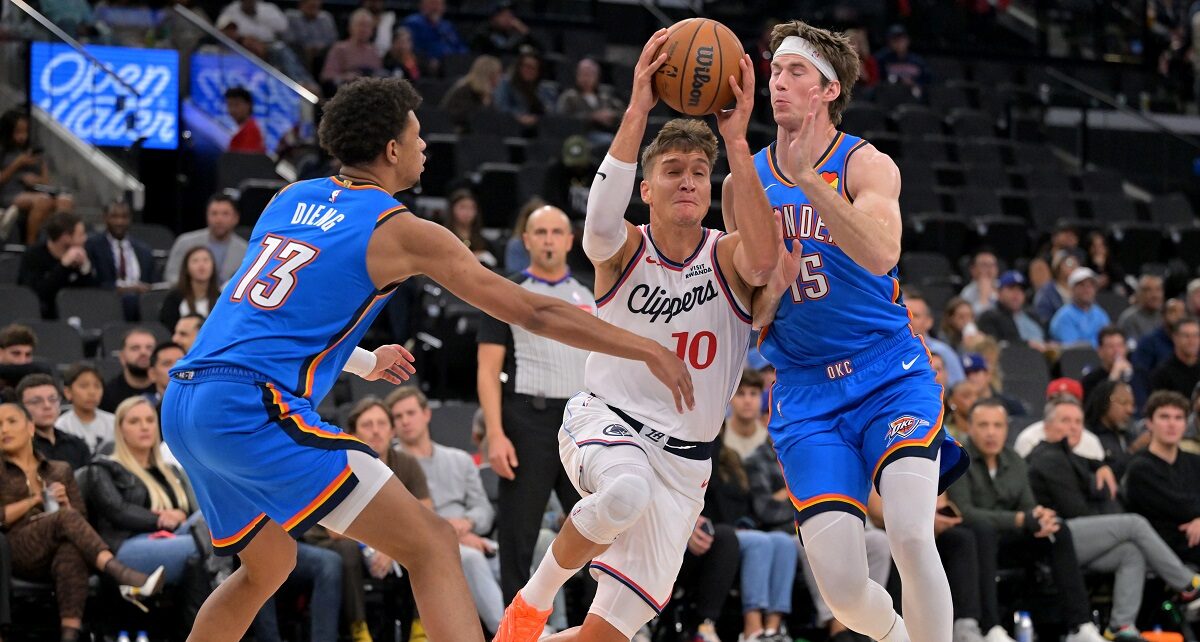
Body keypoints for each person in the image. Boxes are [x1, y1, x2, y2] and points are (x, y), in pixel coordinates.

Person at [160, 76, 692, 642]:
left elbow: (267, 316)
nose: (424, 147)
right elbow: (530, 311)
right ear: (392, 150)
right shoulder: (402, 230)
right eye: (416, 136)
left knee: (266, 566)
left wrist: (363, 363)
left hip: (188, 398)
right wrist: (644, 346)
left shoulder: (290, 197)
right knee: (434, 544)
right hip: (249, 408)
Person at [495, 30, 774, 642]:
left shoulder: (727, 257)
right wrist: (638, 110)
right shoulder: (622, 249)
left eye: (700, 173)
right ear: (644, 190)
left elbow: (764, 261)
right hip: (608, 421)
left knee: (608, 636)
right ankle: (531, 603)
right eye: (672, 171)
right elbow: (595, 225)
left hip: (687, 467)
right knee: (624, 491)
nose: (688, 181)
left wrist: (735, 139)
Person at [745, 20, 969, 642]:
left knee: (908, 533)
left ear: (828, 89)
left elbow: (879, 251)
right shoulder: (751, 176)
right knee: (843, 592)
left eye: (795, 73)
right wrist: (770, 288)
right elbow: (752, 312)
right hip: (805, 391)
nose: (779, 83)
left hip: (887, 372)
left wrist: (810, 182)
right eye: (776, 71)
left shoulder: (866, 163)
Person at [477, 205, 592, 605]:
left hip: (584, 423)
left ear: (569, 240)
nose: (547, 240)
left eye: (555, 232)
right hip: (528, 420)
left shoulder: (590, 293)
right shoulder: (506, 292)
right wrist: (495, 434)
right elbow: (488, 370)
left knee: (599, 532)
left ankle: (602, 629)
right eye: (539, 232)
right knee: (518, 535)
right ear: (525, 240)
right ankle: (516, 631)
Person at [1026, 396, 1200, 640]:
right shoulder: (1048, 457)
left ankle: (1121, 626)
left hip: (1077, 539)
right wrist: (1107, 514)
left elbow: (1103, 463)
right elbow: (1076, 510)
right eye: (1065, 421)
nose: (1073, 427)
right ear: (1047, 426)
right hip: (1055, 538)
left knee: (1130, 551)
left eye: (1078, 421)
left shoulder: (1068, 455)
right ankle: (1189, 585)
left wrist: (1102, 466)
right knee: (1133, 524)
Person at [0, 402, 164, 640]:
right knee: (65, 521)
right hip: (14, 549)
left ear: (30, 428)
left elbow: (80, 519)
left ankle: (70, 635)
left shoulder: (59, 469)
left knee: (71, 551)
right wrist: (35, 500)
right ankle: (123, 575)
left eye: (11, 422)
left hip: (54, 548)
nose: (4, 429)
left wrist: (64, 503)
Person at [947, 399, 1107, 642]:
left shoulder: (1015, 461)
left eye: (997, 425)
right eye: (983, 425)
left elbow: (1028, 507)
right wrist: (1021, 519)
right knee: (983, 529)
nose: (991, 432)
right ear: (969, 428)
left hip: (1010, 543)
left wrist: (1039, 517)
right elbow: (965, 512)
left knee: (1058, 530)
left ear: (1006, 429)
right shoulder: (958, 458)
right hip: (975, 544)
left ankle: (1080, 626)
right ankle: (991, 627)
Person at [311, 396, 432, 642]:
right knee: (347, 549)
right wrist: (389, 543)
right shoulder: (339, 463)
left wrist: (389, 548)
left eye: (382, 423)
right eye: (367, 425)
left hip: (382, 540)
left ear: (392, 430)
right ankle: (359, 628)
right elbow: (335, 528)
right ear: (353, 433)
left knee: (426, 542)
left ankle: (421, 627)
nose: (376, 431)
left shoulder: (406, 463)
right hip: (330, 537)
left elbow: (425, 512)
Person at [390, 387, 504, 634]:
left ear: (426, 414)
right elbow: (403, 518)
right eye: (398, 417)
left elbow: (483, 510)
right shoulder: (392, 466)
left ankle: (547, 626)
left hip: (470, 536)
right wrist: (452, 532)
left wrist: (467, 524)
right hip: (429, 541)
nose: (405, 421)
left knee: (515, 559)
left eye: (410, 413)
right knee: (472, 559)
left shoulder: (459, 459)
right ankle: (506, 632)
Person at [1123, 391, 1200, 566]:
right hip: (1162, 549)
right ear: (1149, 423)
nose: (1172, 424)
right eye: (1164, 417)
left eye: (1178, 418)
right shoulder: (1140, 469)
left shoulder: (1194, 461)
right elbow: (1182, 507)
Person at [0, 109, 72, 245]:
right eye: (18, 132)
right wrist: (18, 163)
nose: (22, 137)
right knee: (43, 201)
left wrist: (36, 180)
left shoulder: (32, 151)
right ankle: (31, 247)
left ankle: (60, 245)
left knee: (65, 202)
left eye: (25, 132)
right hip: (9, 192)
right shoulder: (3, 152)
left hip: (35, 191)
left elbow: (46, 182)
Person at [16, 210, 96, 319]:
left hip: (76, 314)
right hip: (42, 316)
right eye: (81, 235)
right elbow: (38, 294)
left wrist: (85, 269)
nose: (85, 238)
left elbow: (91, 295)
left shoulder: (82, 254)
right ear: (65, 237)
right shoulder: (33, 256)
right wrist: (63, 267)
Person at [84, 201, 155, 313]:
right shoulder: (93, 246)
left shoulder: (144, 251)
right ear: (105, 218)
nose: (119, 222)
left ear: (130, 219)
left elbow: (152, 283)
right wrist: (126, 289)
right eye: (114, 217)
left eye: (124, 217)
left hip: (141, 305)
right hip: (105, 304)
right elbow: (93, 283)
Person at [163, 193, 248, 286]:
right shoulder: (185, 242)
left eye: (225, 214)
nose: (219, 219)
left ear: (236, 218)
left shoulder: (246, 251)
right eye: (214, 213)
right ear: (207, 216)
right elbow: (171, 276)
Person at [18, 373, 91, 471]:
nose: (47, 406)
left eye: (52, 399)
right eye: (36, 401)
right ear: (21, 408)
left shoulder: (77, 445)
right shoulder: (19, 448)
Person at [976, 270, 1049, 353]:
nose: (1017, 293)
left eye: (1020, 289)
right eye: (1011, 288)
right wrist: (1027, 345)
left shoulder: (1032, 315)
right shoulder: (990, 317)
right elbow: (995, 346)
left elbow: (1046, 340)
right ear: (999, 292)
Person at [1081, 326, 1150, 410]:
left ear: (1126, 348)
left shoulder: (1140, 374)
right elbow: (1094, 411)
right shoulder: (1090, 381)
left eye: (1120, 345)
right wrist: (1113, 377)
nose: (1116, 351)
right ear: (1100, 351)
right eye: (1110, 346)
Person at [907, 291, 965, 386]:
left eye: (915, 315)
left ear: (929, 322)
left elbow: (959, 389)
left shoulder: (944, 352)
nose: (909, 320)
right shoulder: (886, 349)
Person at [1084, 380, 1141, 478]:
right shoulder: (1088, 437)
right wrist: (1133, 450)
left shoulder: (1130, 435)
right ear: (1105, 401)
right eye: (1123, 402)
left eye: (1132, 404)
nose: (1130, 410)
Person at [55, 362, 115, 455]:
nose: (92, 392)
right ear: (68, 392)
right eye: (83, 386)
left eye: (97, 386)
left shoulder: (113, 422)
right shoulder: (61, 426)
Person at [556, 59, 624, 137]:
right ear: (577, 75)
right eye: (583, 74)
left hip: (607, 131)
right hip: (580, 135)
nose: (586, 78)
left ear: (597, 76)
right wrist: (592, 117)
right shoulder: (569, 97)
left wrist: (611, 115)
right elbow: (562, 120)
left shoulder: (605, 96)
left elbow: (623, 112)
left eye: (590, 74)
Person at [160, 246, 221, 330]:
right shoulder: (174, 298)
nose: (201, 265)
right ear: (186, 268)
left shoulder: (221, 298)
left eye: (206, 260)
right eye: (195, 261)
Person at [494, 49, 556, 132]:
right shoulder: (506, 84)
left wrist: (537, 118)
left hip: (538, 129)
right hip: (510, 127)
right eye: (526, 66)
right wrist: (519, 116)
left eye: (533, 68)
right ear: (519, 67)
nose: (528, 70)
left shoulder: (544, 90)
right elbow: (501, 107)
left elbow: (551, 112)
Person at [1050, 267, 1112, 347]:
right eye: (1082, 285)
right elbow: (1074, 350)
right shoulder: (1064, 317)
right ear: (1072, 289)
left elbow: (1109, 342)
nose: (1087, 290)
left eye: (1091, 286)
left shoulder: (1100, 314)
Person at [321, 9, 383, 87]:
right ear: (350, 27)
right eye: (360, 25)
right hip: (346, 91)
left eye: (367, 26)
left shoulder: (374, 51)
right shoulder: (340, 48)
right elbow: (326, 76)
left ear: (372, 31)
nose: (363, 29)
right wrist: (345, 77)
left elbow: (379, 76)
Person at [100, 327, 157, 413]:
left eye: (149, 348)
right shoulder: (108, 394)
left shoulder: (168, 388)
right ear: (122, 357)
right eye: (135, 348)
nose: (143, 352)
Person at [401, 0, 467, 73]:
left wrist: (463, 58)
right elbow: (412, 48)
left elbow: (460, 46)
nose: (435, 8)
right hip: (427, 66)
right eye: (432, 3)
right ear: (422, 5)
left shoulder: (447, 25)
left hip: (452, 64)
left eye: (439, 4)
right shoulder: (413, 23)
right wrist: (428, 60)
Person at [439, 189, 498, 268]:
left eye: (472, 208)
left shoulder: (484, 242)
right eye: (463, 207)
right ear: (452, 209)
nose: (467, 212)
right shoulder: (443, 237)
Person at [442, 55, 504, 130]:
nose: (500, 78)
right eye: (498, 74)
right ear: (489, 75)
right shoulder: (464, 91)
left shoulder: (489, 95)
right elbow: (456, 116)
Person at [1133, 298, 1187, 373]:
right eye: (1173, 311)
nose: (1179, 316)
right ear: (1163, 315)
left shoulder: (1193, 342)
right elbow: (1140, 373)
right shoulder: (1149, 342)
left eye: (1182, 312)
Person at [724, 370, 768, 460]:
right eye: (740, 393)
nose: (747, 400)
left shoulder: (771, 439)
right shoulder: (717, 436)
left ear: (761, 398)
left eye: (753, 393)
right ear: (730, 398)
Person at [284, 0, 338, 74]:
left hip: (322, 52)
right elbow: (288, 38)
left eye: (316, 7)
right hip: (299, 51)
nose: (314, 10)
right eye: (311, 6)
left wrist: (319, 47)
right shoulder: (291, 17)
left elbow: (332, 39)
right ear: (301, 5)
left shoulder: (326, 17)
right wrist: (306, 48)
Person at [1151, 317, 1200, 397]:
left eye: (1196, 335)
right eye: (1186, 336)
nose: (1192, 341)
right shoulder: (1162, 374)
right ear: (1175, 338)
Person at [470, 1, 539, 57]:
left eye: (510, 15)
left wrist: (525, 31)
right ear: (493, 17)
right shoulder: (483, 35)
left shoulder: (517, 35)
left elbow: (540, 50)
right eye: (503, 15)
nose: (508, 19)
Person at [875, 25, 930, 90]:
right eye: (895, 39)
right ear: (889, 42)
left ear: (907, 40)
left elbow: (928, 80)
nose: (899, 42)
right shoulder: (882, 59)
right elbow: (877, 81)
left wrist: (914, 83)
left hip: (912, 95)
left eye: (901, 39)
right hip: (889, 94)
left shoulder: (917, 61)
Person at [1034, 251, 1080, 324]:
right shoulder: (1046, 291)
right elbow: (1043, 318)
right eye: (1069, 263)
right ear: (1058, 266)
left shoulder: (1081, 290)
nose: (1074, 266)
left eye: (1076, 264)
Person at [1118, 274, 1165, 342]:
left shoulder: (1165, 317)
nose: (1155, 295)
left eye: (1158, 289)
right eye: (1148, 290)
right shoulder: (1129, 319)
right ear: (1139, 294)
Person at [225, 87, 266, 154]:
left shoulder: (251, 131)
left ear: (248, 105)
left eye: (236, 105)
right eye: (229, 105)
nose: (232, 110)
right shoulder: (248, 127)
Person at [960, 250, 999, 316]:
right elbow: (968, 319)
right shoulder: (967, 292)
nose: (989, 269)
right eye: (984, 265)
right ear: (973, 270)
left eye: (992, 265)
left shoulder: (1004, 287)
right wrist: (983, 297)